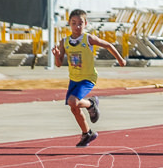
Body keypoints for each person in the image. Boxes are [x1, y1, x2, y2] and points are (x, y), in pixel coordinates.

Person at [52, 9, 126, 147]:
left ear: (85, 23)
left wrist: (120, 60)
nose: (77, 26)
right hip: (74, 79)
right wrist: (57, 56)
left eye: (80, 23)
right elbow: (58, 64)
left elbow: (108, 45)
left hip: (88, 78)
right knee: (74, 108)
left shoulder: (88, 39)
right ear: (69, 24)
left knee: (73, 101)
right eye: (74, 23)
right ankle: (87, 134)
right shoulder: (64, 42)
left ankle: (91, 104)